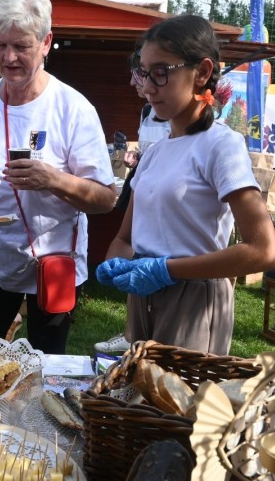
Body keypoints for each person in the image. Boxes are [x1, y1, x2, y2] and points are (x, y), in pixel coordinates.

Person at [0, 0, 116, 354]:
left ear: (47, 42)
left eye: (22, 46)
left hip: (55, 265)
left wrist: (52, 179)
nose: (9, 57)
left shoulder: (72, 108)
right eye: (1, 46)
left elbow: (105, 199)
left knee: (45, 368)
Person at [96, 14, 275, 355]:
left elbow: (264, 249)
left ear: (203, 72)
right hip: (145, 299)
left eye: (161, 72)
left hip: (194, 301)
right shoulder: (154, 153)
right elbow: (125, 238)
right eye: (144, 72)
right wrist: (117, 265)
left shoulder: (220, 146)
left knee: (183, 405)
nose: (148, 87)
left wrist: (166, 270)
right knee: (142, 401)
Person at [94, 51, 171, 354]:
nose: (134, 82)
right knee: (136, 256)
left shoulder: (214, 142)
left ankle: (142, 337)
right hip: (144, 181)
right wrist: (136, 157)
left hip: (163, 197)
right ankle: (131, 333)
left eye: (138, 74)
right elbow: (150, 149)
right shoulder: (145, 112)